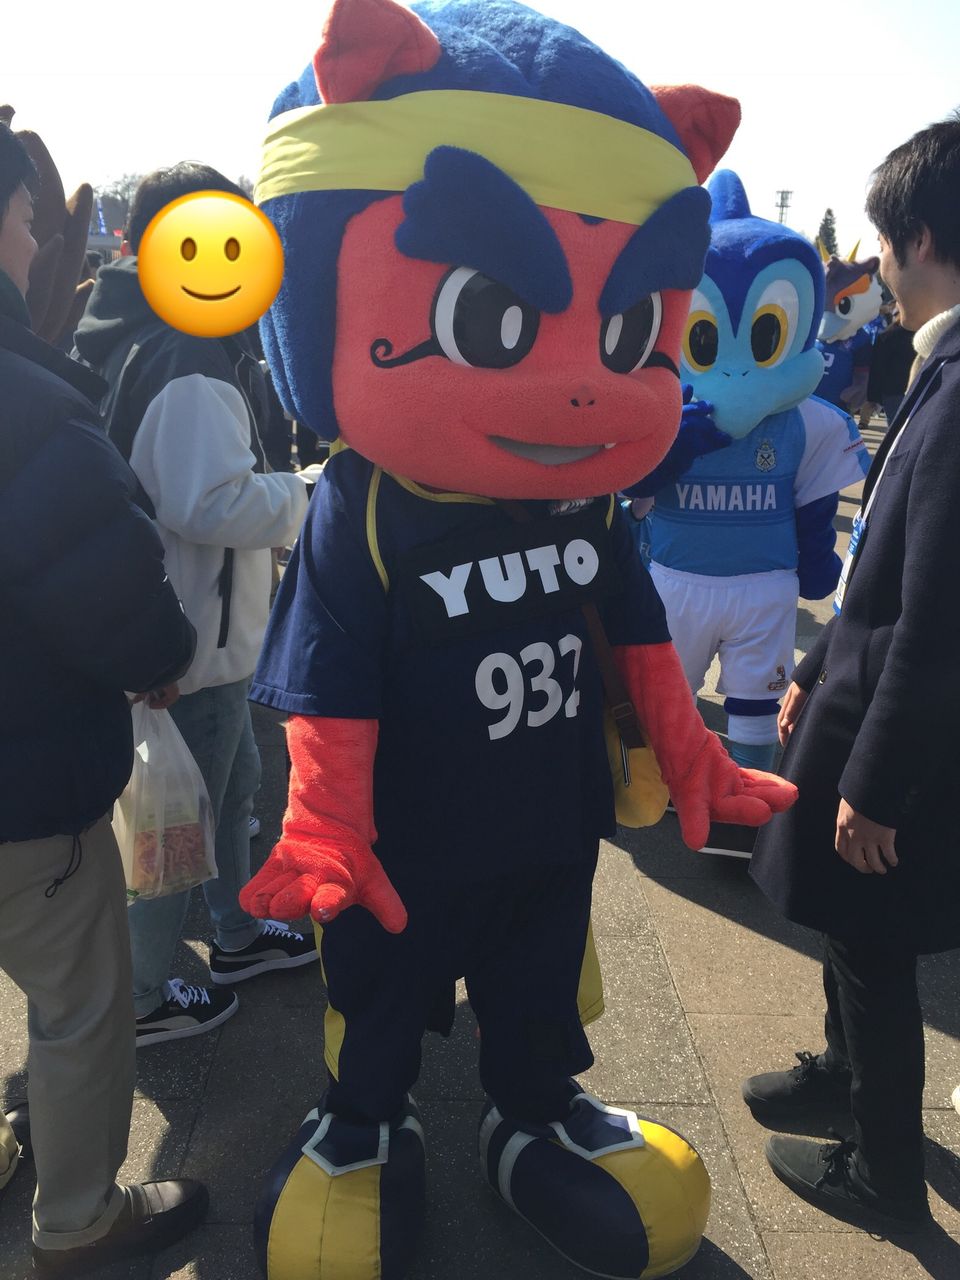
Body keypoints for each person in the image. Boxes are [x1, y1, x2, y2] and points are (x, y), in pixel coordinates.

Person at [744, 113, 960, 1233]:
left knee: (874, 947)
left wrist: (874, 786)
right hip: (861, 691)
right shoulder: (941, 363)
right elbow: (881, 553)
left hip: (899, 736)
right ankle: (841, 1072)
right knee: (842, 920)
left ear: (919, 239)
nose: (875, 267)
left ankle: (884, 1171)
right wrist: (818, 660)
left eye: (882, 243)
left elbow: (939, 620)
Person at [0, 122, 207, 1276]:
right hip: (24, 784)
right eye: (27, 219)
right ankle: (80, 1216)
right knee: (78, 1003)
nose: (39, 244)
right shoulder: (27, 409)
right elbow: (117, 594)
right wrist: (160, 654)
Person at [73, 163, 316, 1047]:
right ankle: (143, 996)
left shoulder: (127, 329)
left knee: (234, 787)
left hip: (173, 630)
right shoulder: (188, 355)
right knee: (178, 828)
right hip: (190, 646)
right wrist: (306, 492)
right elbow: (207, 503)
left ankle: (237, 932)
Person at [865, 305, 916, 425]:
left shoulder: (886, 336)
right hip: (913, 389)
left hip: (892, 391)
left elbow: (877, 368)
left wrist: (873, 396)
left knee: (895, 427)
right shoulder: (922, 336)